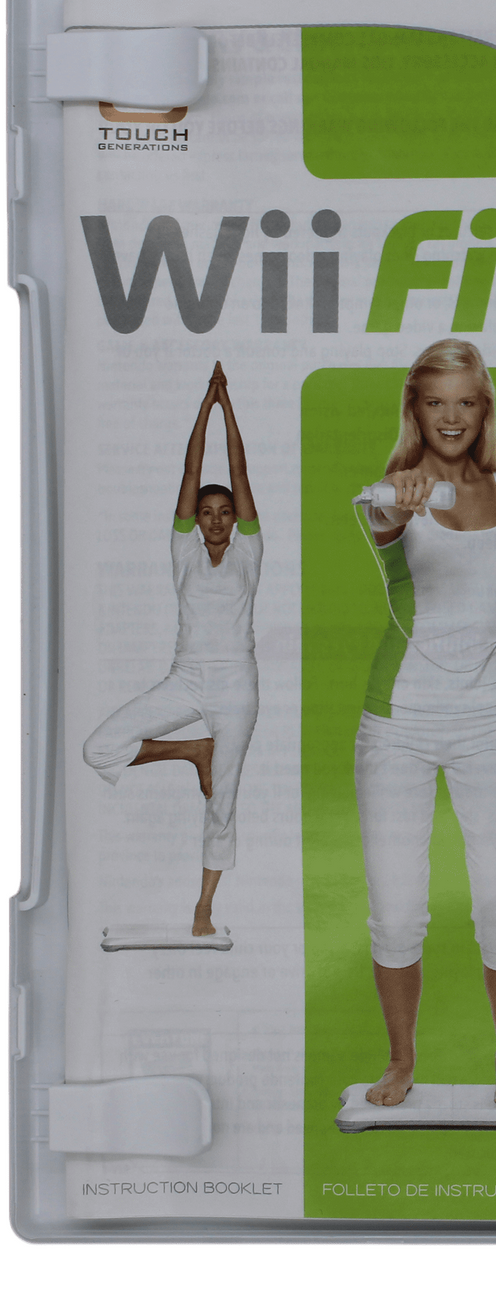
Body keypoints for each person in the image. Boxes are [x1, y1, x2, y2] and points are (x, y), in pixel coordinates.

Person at [354, 338, 496, 1110]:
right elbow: (383, 518)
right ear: (414, 410)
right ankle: (400, 1062)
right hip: (400, 724)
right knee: (396, 912)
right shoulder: (394, 491)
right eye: (435, 402)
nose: (452, 417)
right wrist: (399, 499)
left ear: (485, 411)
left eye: (467, 402)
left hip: (494, 722)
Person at [84, 363, 261, 936]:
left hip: (236, 686)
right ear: (195, 521)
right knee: (98, 748)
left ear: (236, 520)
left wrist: (228, 408)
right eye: (206, 512)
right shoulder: (183, 552)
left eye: (224, 512)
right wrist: (204, 406)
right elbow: (192, 469)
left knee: (222, 801)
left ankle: (203, 906)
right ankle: (192, 750)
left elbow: (238, 469)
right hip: (185, 678)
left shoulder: (249, 553)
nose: (215, 519)